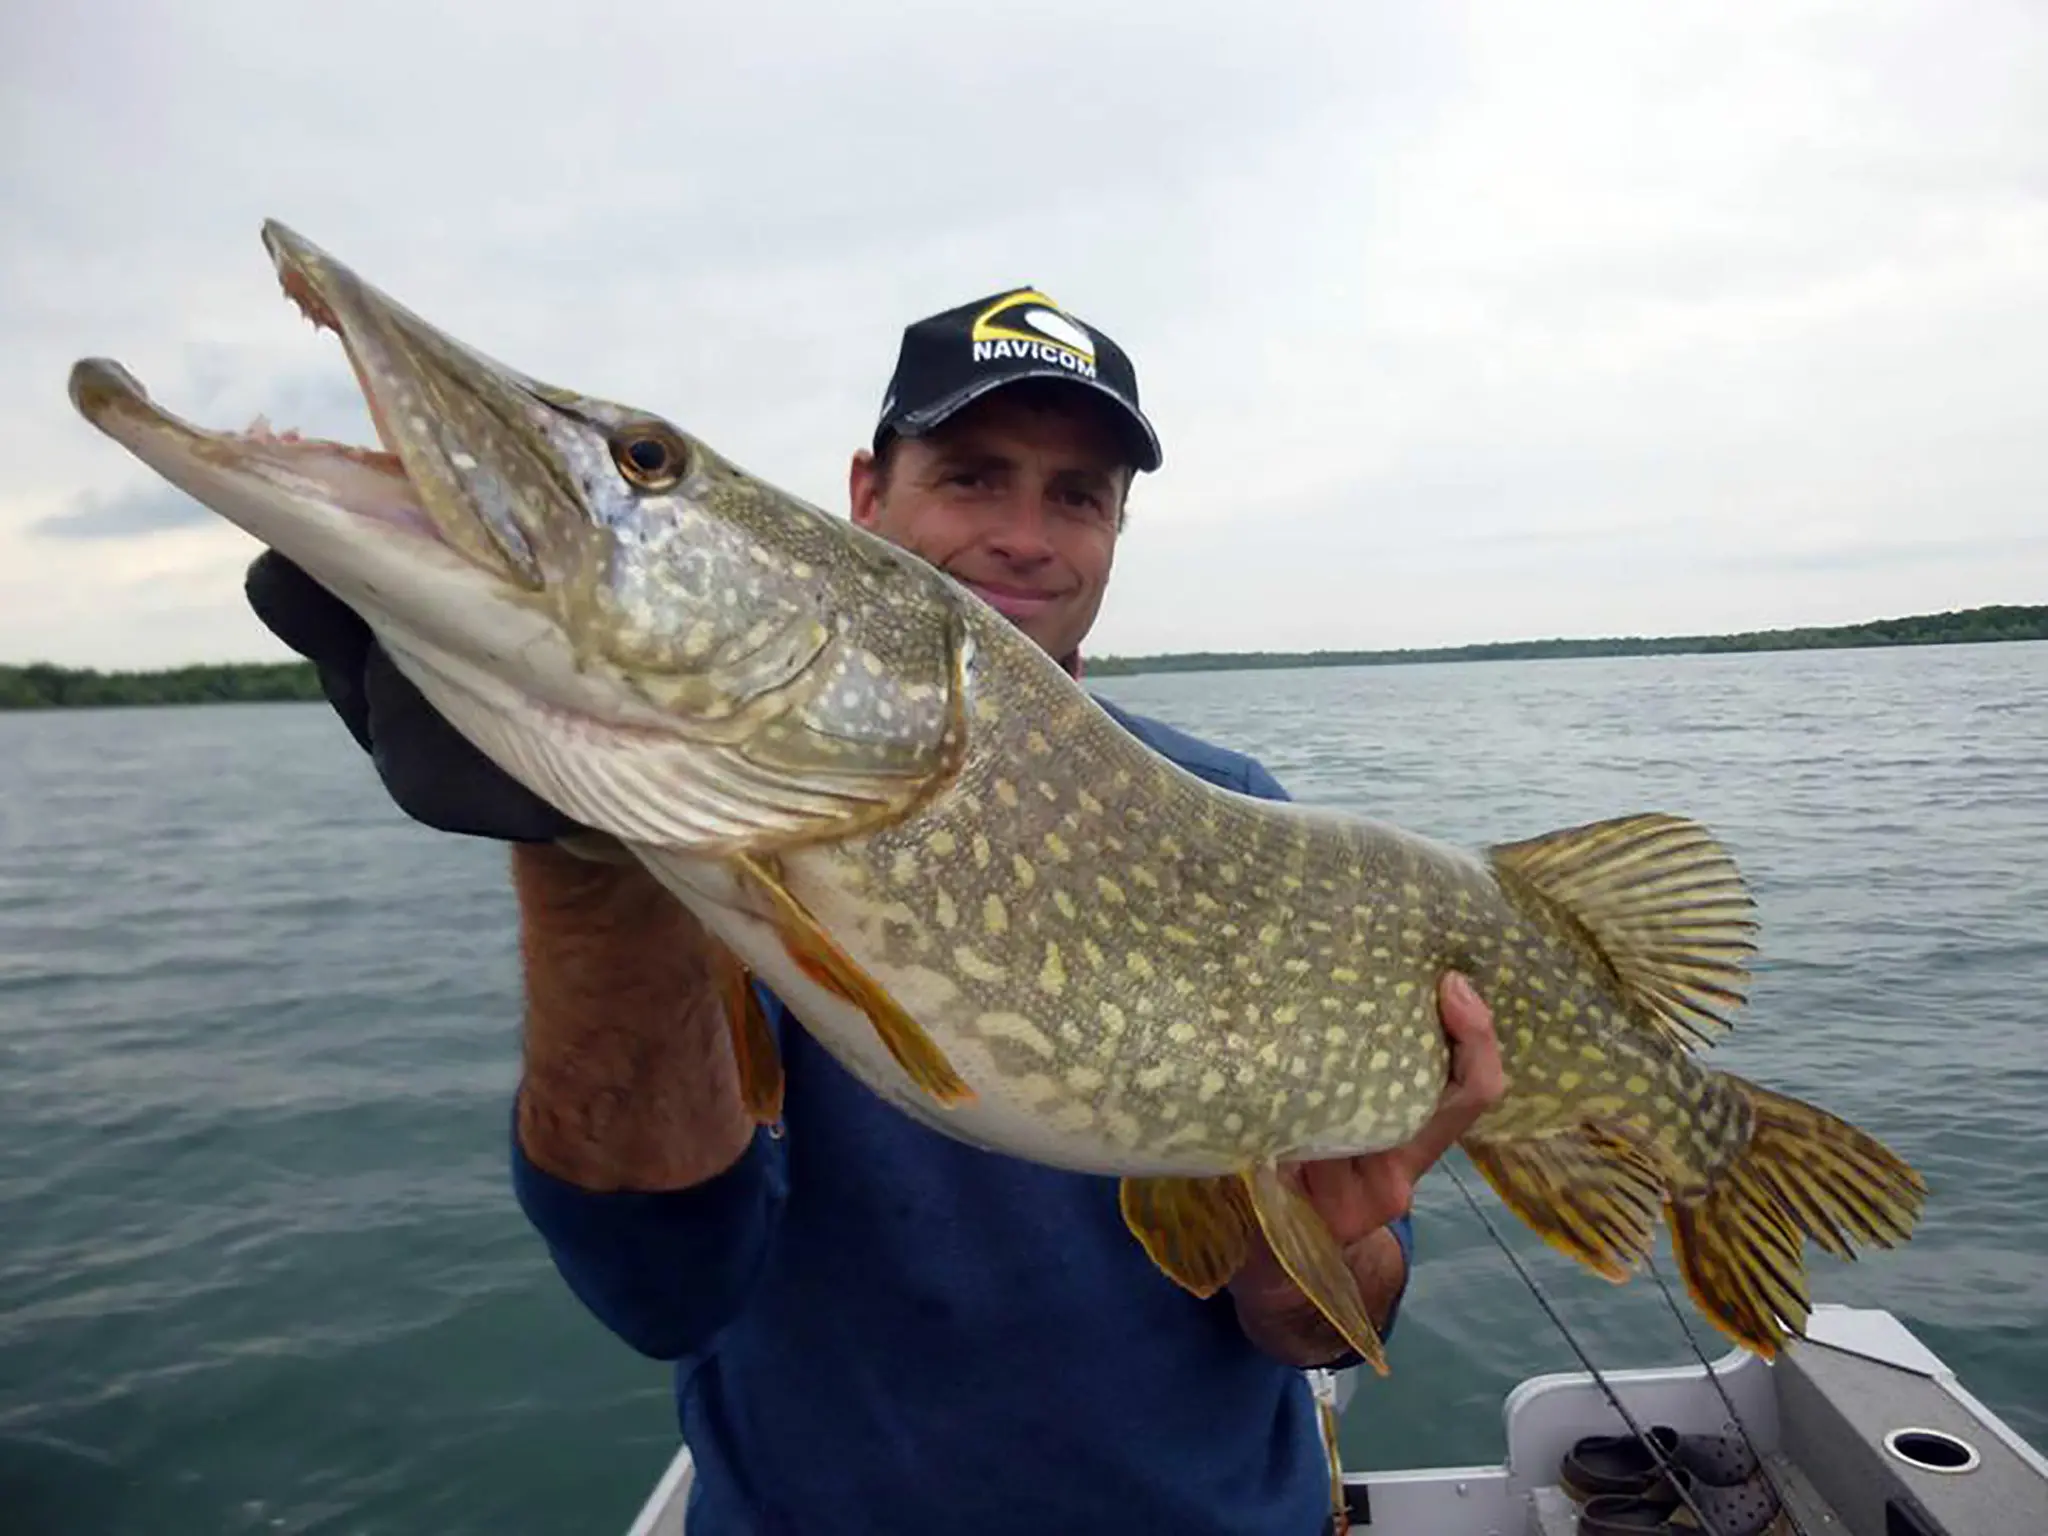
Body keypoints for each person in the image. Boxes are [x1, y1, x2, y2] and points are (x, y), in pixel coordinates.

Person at [246, 285, 1506, 1535]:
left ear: (1115, 534)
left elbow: (1305, 1333)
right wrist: (589, 865)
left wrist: (1330, 1233)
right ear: (862, 497)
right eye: (970, 475)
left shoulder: (1235, 815)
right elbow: (659, 1290)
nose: (1026, 534)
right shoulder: (709, 844)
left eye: (1077, 496)